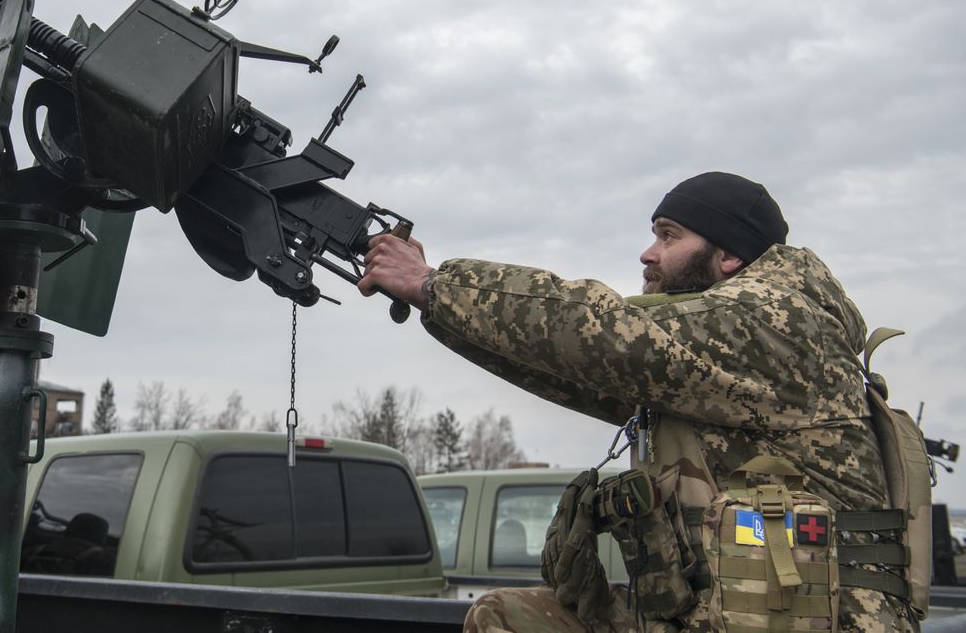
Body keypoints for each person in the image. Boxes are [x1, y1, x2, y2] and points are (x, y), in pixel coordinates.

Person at [359, 171, 913, 631]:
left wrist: (436, 284)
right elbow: (570, 368)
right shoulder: (711, 359)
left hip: (820, 617)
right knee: (505, 619)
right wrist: (434, 302)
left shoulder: (776, 322)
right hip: (727, 610)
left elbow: (599, 329)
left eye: (669, 236)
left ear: (728, 257)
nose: (649, 253)